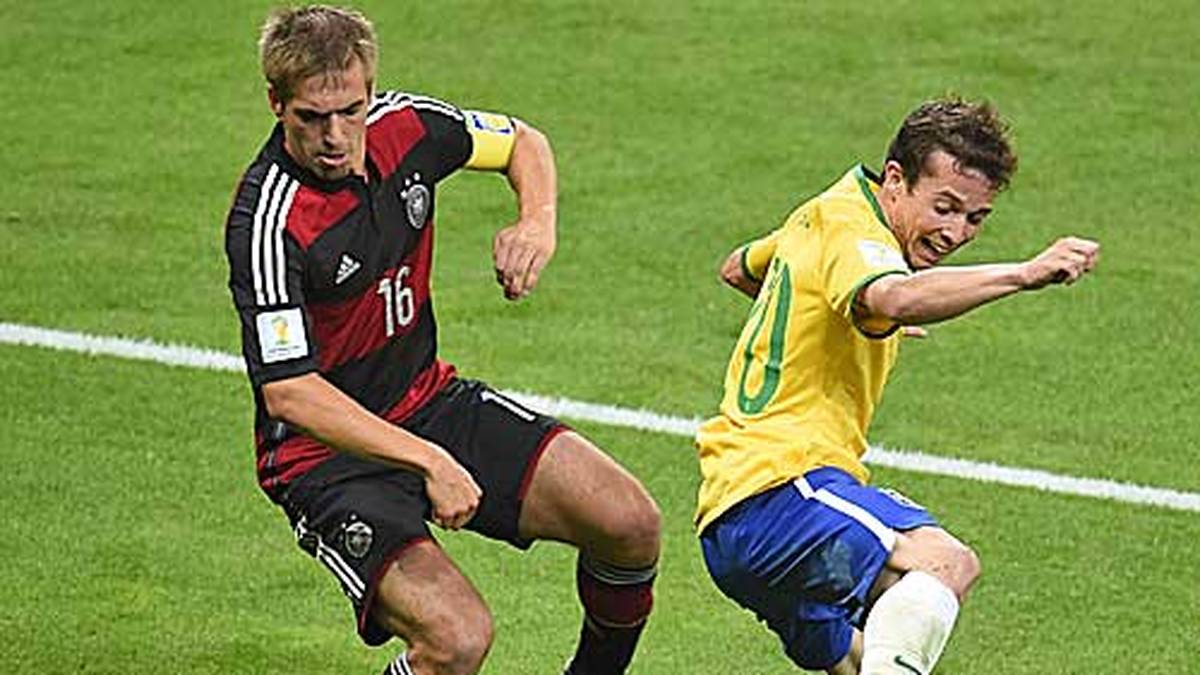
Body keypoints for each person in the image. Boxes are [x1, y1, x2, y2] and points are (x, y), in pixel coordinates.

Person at [223, 7, 660, 675]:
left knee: (630, 522)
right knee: (456, 639)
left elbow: (522, 142)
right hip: (327, 459)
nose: (336, 135)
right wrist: (426, 459)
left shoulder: (408, 127)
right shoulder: (270, 220)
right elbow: (289, 392)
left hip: (428, 402)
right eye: (312, 117)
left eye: (351, 110)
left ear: (371, 90)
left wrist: (536, 222)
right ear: (275, 103)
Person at [695, 97, 1099, 674]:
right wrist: (1022, 273)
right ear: (894, 180)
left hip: (733, 518)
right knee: (944, 565)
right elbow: (892, 295)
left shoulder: (820, 214)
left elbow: (740, 268)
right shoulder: (852, 227)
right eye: (944, 207)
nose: (955, 232)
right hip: (779, 489)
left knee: (872, 660)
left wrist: (837, 311)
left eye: (976, 218)